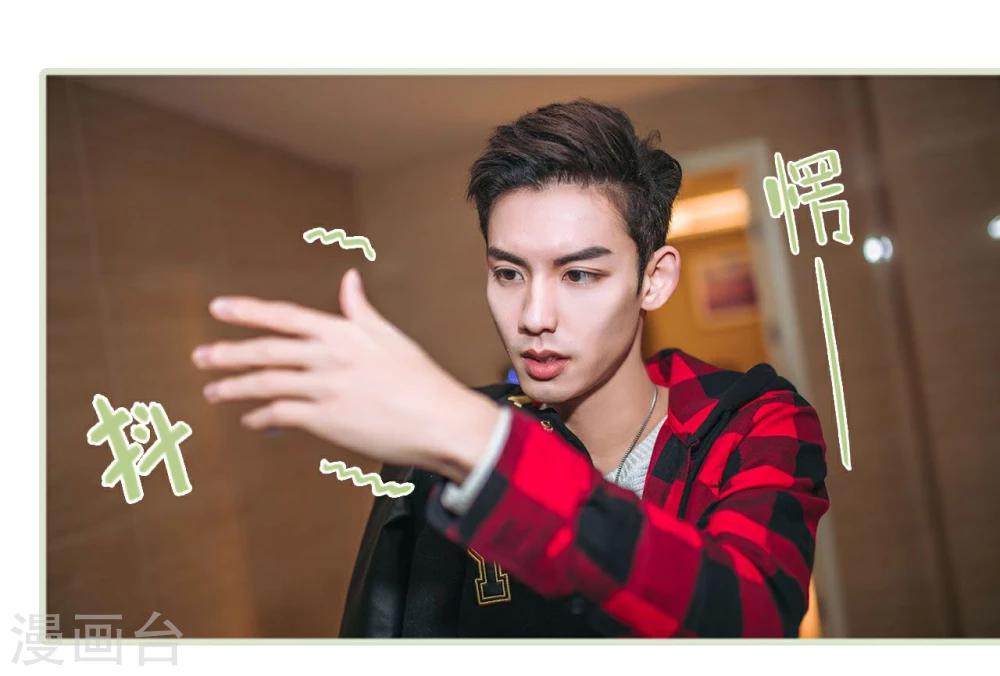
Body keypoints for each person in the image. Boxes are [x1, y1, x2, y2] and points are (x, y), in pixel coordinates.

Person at [192, 98, 830, 638]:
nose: (533, 316)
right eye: (508, 273)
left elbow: (748, 622)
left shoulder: (753, 425)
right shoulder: (439, 449)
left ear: (653, 280)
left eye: (579, 275)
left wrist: (477, 441)